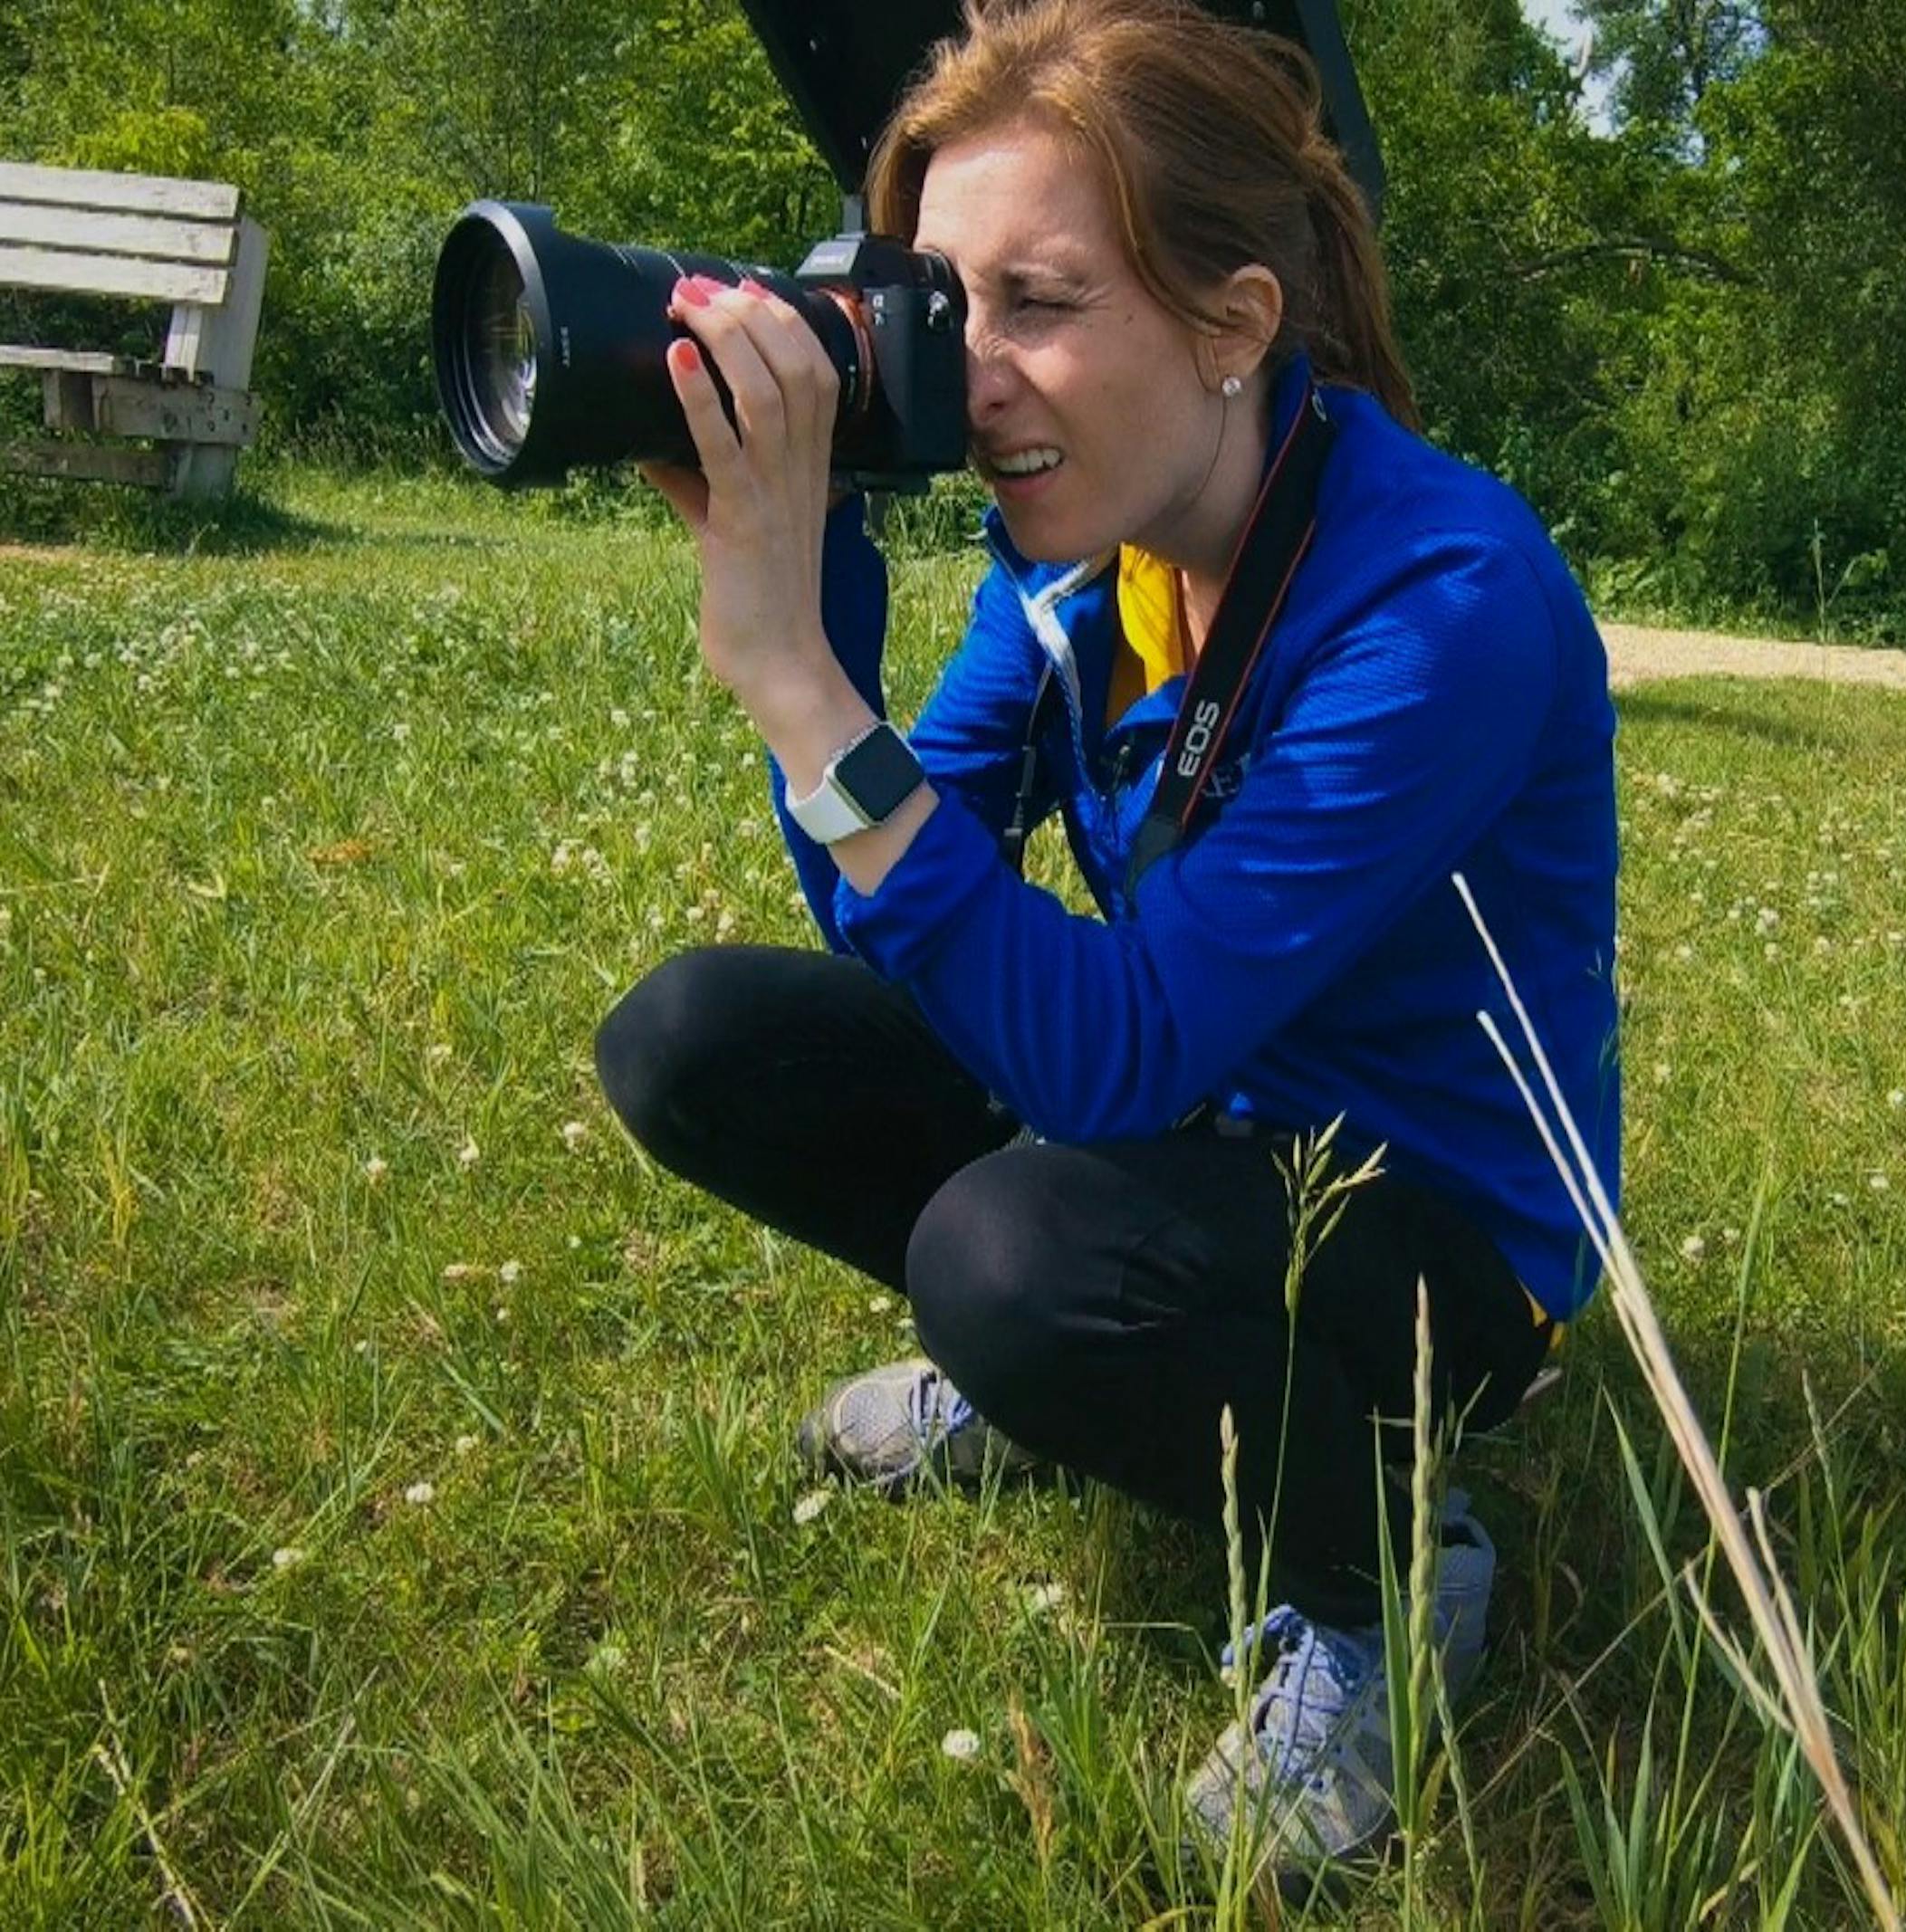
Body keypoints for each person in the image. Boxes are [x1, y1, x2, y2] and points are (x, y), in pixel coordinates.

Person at [595, 0, 1619, 1887]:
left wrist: (803, 689)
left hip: (1436, 1235)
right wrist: (805, 581)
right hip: (1191, 1127)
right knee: (695, 1038)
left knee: (1011, 1250)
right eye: (945, 302)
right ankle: (1085, 1357)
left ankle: (1391, 1574)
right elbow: (891, 895)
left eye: (1038, 303)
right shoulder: (1080, 568)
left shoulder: (1448, 597)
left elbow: (1108, 1056)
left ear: (1234, 327)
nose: (969, 374)